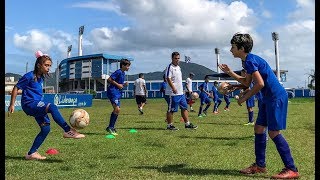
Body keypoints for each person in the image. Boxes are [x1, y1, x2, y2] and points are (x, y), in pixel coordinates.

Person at [219, 33, 299, 179]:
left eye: (233, 47)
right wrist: (231, 75)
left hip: (275, 98)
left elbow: (260, 84)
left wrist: (245, 97)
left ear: (241, 48)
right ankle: (260, 166)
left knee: (273, 133)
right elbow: (246, 82)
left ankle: (291, 168)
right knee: (259, 128)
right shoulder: (248, 60)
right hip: (266, 98)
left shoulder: (250, 61)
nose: (231, 49)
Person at [7, 50, 85, 160]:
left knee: (46, 129)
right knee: (52, 107)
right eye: (46, 65)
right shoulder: (29, 76)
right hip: (30, 104)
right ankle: (68, 131)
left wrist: (26, 92)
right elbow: (16, 87)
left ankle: (31, 153)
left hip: (37, 105)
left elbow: (30, 90)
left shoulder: (41, 77)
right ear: (39, 65)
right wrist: (12, 104)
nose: (48, 68)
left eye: (49, 66)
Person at [164, 51, 198, 130]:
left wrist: (181, 90)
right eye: (175, 58)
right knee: (171, 110)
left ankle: (187, 124)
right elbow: (168, 78)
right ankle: (169, 125)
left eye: (178, 58)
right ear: (172, 58)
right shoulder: (170, 67)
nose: (177, 60)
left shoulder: (178, 67)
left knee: (184, 108)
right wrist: (173, 88)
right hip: (172, 93)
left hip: (180, 93)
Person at [106, 59, 131, 135]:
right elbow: (109, 79)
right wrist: (118, 85)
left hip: (117, 93)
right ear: (123, 65)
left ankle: (111, 127)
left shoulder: (123, 73)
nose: (128, 68)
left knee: (117, 110)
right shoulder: (118, 72)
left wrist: (123, 84)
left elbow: (119, 84)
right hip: (113, 92)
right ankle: (110, 127)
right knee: (117, 109)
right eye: (127, 66)